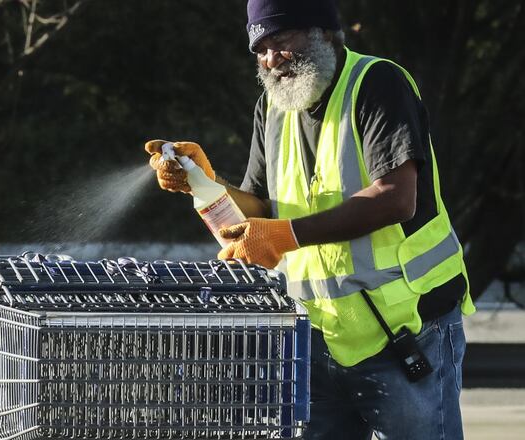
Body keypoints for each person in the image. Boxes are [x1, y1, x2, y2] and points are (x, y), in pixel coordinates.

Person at [144, 0, 476, 438]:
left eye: (280, 41)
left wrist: (285, 236)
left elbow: (396, 199)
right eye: (259, 48)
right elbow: (261, 210)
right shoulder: (273, 106)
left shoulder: (377, 82)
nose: (270, 59)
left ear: (322, 32)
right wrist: (201, 182)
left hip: (409, 326)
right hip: (318, 333)